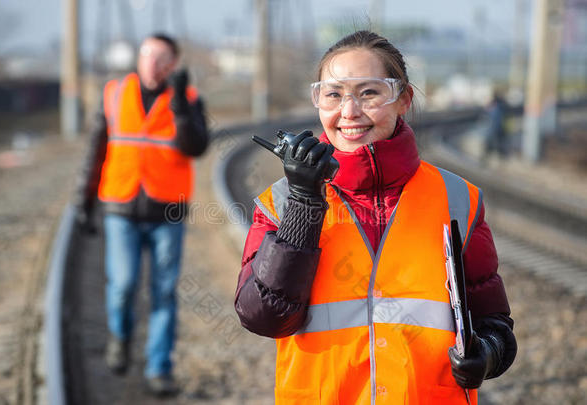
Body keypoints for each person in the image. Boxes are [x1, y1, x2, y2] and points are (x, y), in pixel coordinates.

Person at [235, 30, 516, 404]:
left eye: (369, 93)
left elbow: (493, 324)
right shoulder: (281, 201)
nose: (349, 111)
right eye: (333, 94)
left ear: (404, 99)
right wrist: (304, 205)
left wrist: (489, 353)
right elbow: (263, 318)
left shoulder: (457, 199)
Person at [75, 33, 209, 396]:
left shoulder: (189, 99)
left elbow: (195, 147)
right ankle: (120, 336)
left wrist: (180, 101)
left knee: (164, 292)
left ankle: (158, 368)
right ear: (139, 58)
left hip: (167, 210)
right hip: (120, 206)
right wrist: (83, 203)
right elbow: (96, 150)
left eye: (161, 57)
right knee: (122, 285)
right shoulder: (114, 94)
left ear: (172, 65)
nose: (152, 62)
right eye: (147, 54)